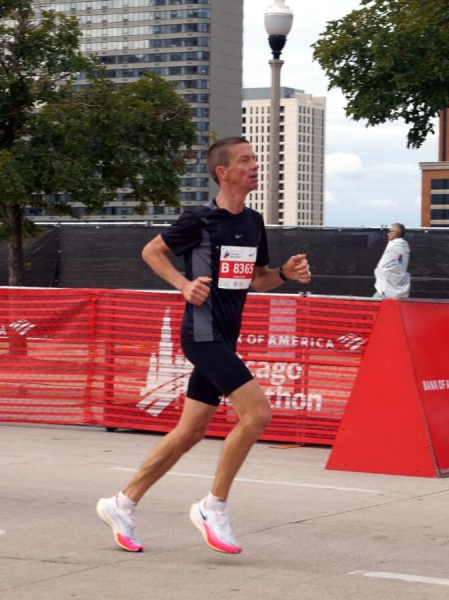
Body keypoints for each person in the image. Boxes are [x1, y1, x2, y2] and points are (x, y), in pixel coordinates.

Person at [96, 137, 312, 554]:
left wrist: (285, 273)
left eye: (254, 159)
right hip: (201, 334)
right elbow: (152, 251)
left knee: (191, 430)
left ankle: (122, 503)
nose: (254, 165)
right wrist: (183, 284)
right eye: (245, 160)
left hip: (225, 337)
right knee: (257, 414)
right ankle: (213, 506)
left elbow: (256, 279)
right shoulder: (200, 219)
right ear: (223, 172)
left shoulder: (253, 222)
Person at [373, 222, 411, 299]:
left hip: (386, 287)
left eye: (390, 231)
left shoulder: (393, 246)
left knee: (374, 304)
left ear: (394, 233)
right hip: (397, 286)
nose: (388, 233)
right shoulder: (404, 247)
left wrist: (380, 272)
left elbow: (387, 266)